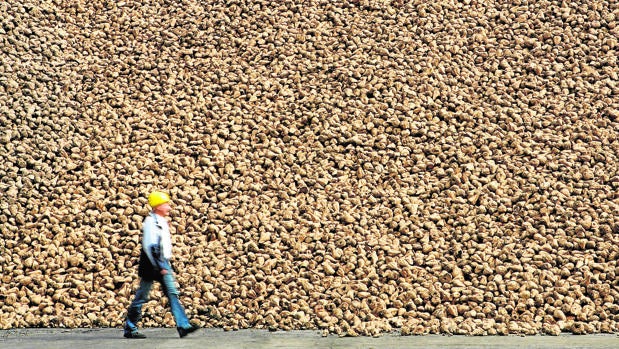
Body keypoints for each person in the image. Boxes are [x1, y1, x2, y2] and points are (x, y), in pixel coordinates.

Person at [123, 191, 199, 339]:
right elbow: (151, 246)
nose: (169, 207)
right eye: (166, 204)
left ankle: (183, 326)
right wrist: (161, 266)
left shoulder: (161, 220)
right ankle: (130, 328)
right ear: (158, 206)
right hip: (153, 265)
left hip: (162, 261)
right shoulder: (151, 222)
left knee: (172, 294)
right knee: (142, 297)